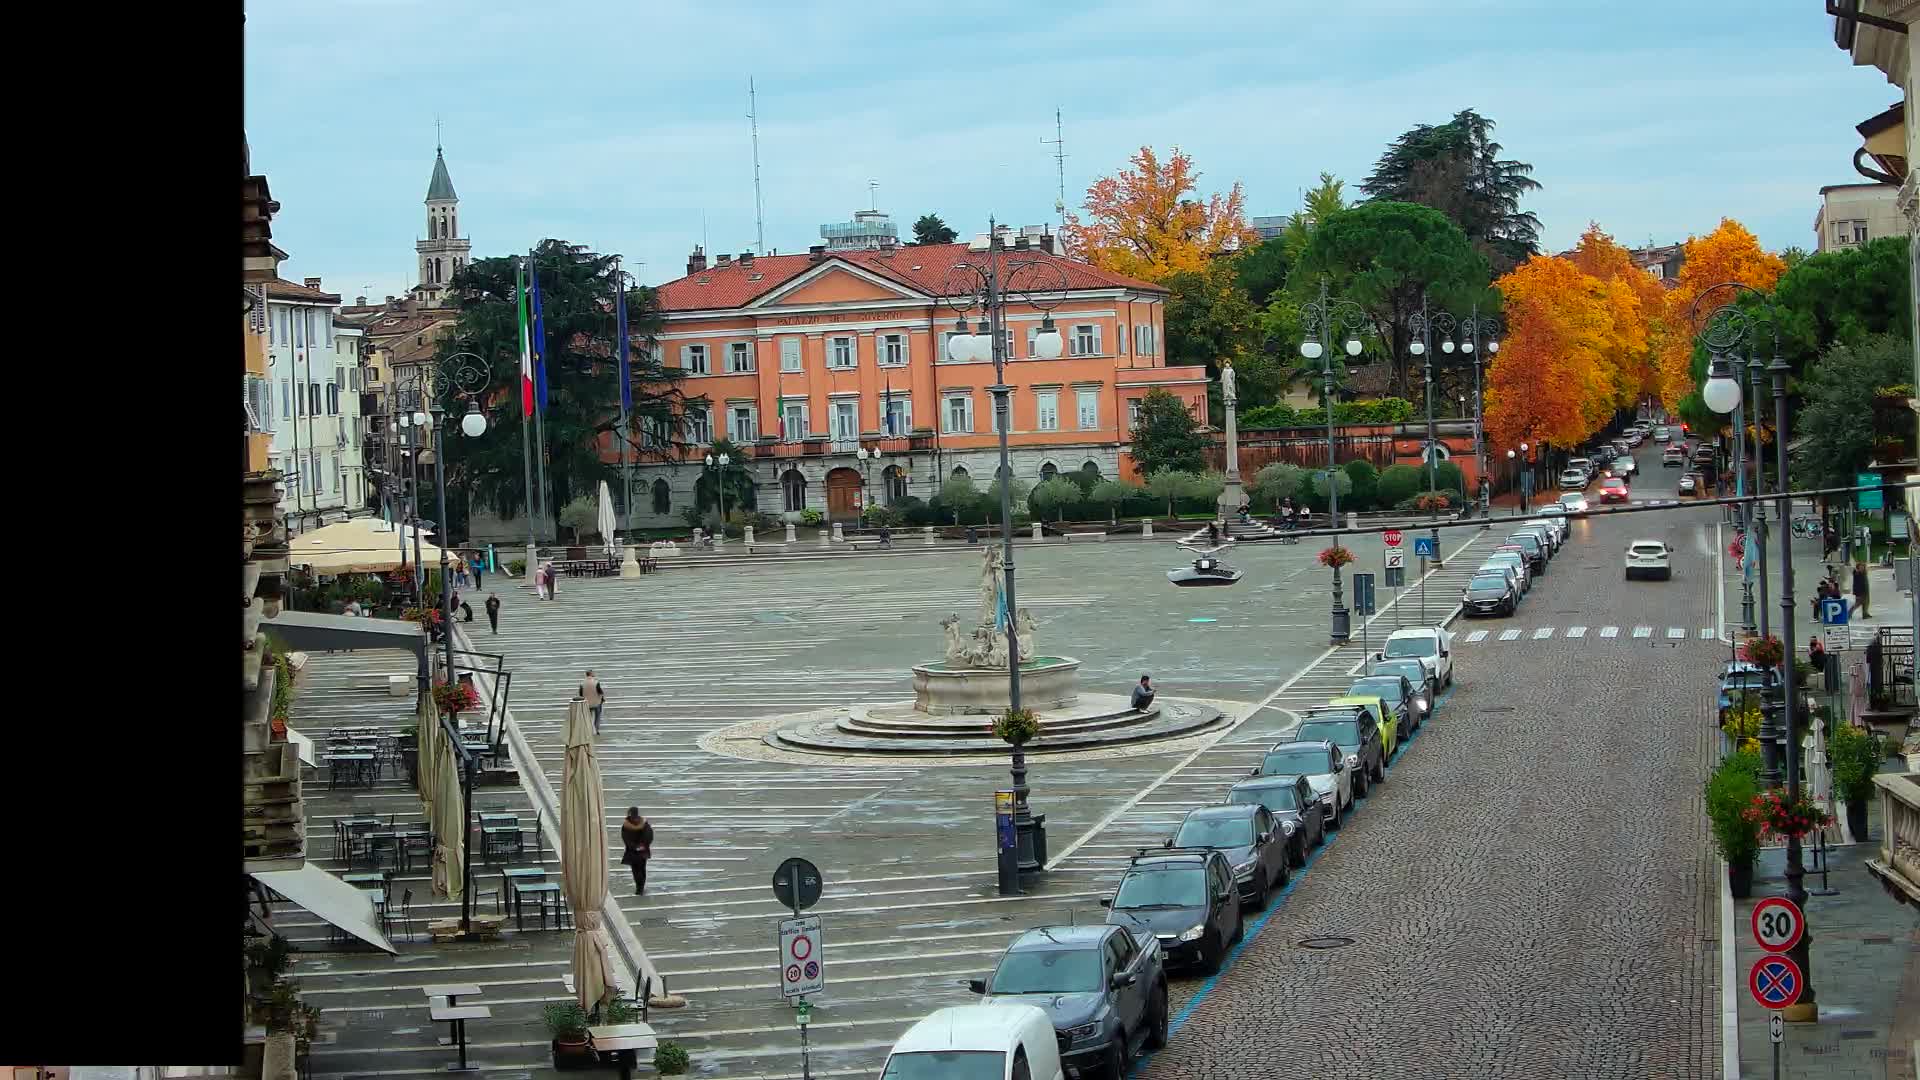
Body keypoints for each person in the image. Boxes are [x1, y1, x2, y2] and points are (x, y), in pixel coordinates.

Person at [620, 807, 653, 895]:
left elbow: (625, 839)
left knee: (636, 870)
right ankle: (640, 887)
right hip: (643, 851)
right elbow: (649, 836)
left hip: (632, 851)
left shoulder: (626, 825)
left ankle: (639, 887)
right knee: (642, 869)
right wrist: (643, 845)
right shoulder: (644, 824)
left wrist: (634, 847)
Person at [581, 670, 607, 734]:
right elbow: (600, 692)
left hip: (586, 703)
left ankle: (588, 730)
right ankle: (596, 729)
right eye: (593, 673)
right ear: (591, 674)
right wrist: (603, 699)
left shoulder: (582, 683)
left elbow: (581, 694)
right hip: (596, 703)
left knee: (587, 717)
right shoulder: (596, 682)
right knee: (597, 716)